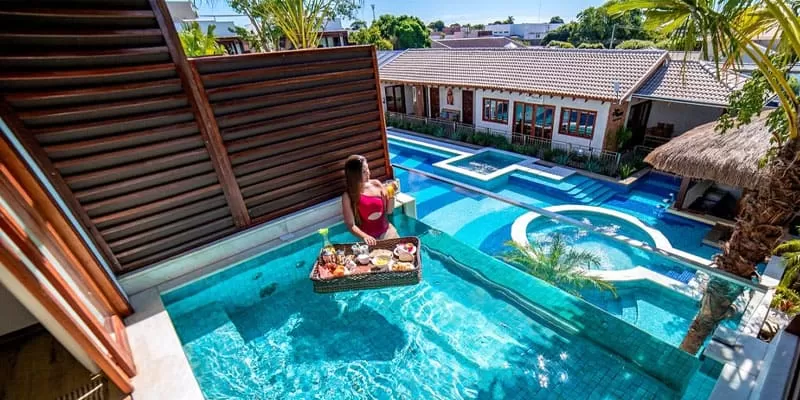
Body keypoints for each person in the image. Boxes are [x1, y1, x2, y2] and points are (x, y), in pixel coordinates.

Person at [342, 155, 398, 245]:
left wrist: (391, 194)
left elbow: (389, 211)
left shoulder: (376, 184)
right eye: (364, 172)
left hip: (388, 232)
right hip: (368, 239)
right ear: (354, 175)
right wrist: (365, 237)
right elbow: (350, 225)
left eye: (367, 169)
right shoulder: (348, 196)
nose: (368, 173)